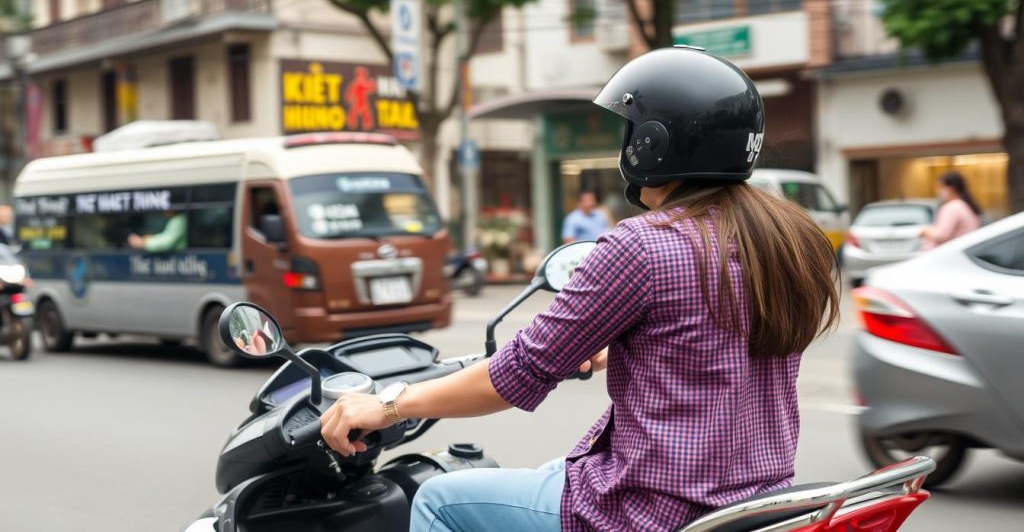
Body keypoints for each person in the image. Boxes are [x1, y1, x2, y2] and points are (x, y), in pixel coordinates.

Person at [315, 48, 840, 532]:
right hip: (752, 503)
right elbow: (727, 342)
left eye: (632, 130)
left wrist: (389, 407)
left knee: (437, 500)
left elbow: (516, 373)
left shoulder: (642, 245)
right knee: (554, 469)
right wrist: (632, 348)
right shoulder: (790, 238)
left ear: (653, 142)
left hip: (647, 510)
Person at [920, 170, 982, 249]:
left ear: (951, 188)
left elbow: (941, 236)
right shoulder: (964, 205)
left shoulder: (953, 207)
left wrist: (926, 231)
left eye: (940, 187)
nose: (938, 191)